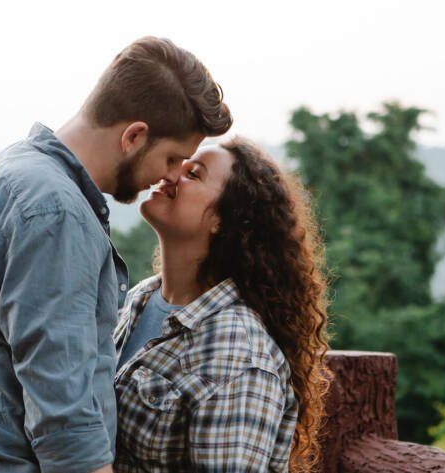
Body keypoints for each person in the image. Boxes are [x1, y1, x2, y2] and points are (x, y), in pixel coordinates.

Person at [0, 37, 232, 473]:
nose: (170, 176)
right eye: (172, 157)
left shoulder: (8, 173)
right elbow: (64, 413)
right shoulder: (56, 212)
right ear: (134, 136)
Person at [113, 138, 330, 472]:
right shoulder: (140, 298)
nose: (170, 174)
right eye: (177, 163)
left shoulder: (237, 349)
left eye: (193, 174)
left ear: (224, 221)